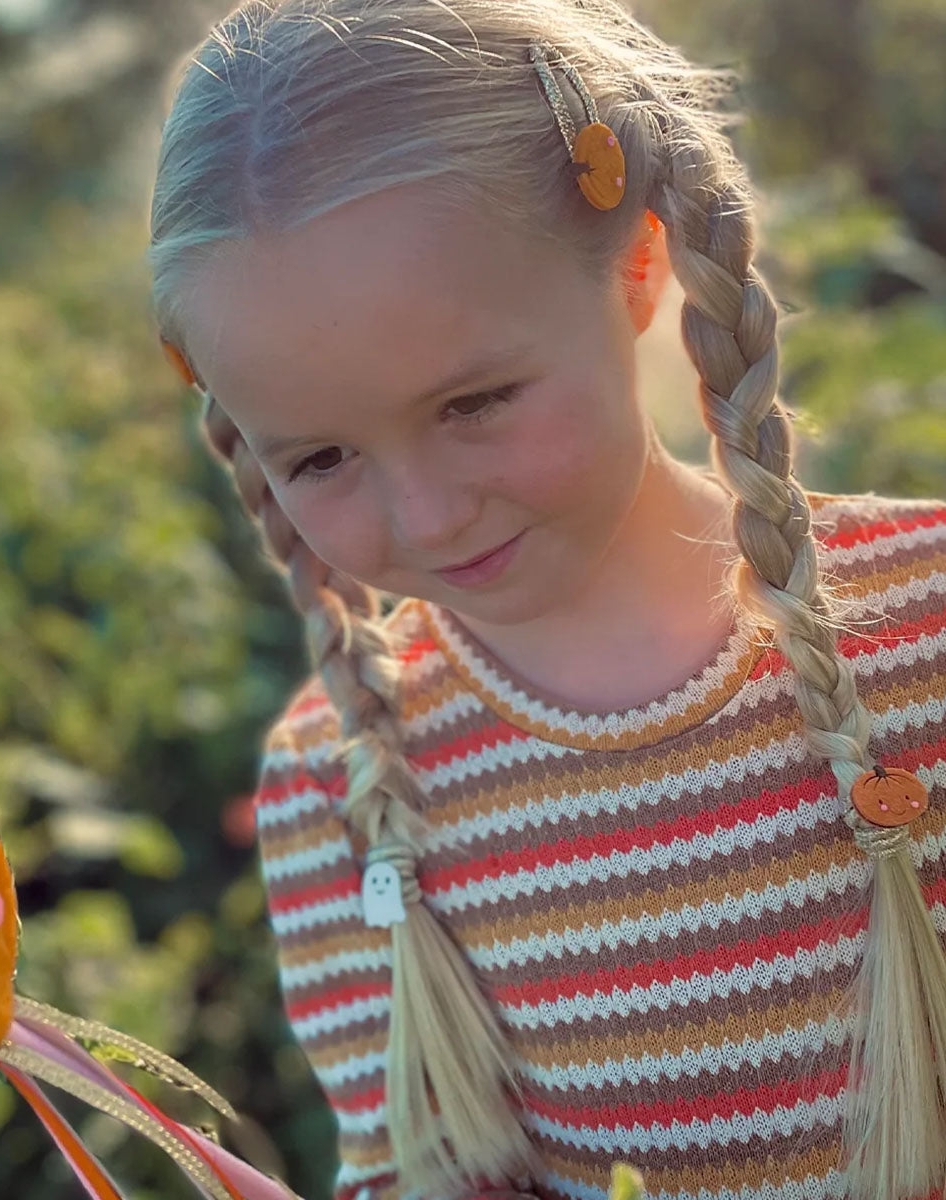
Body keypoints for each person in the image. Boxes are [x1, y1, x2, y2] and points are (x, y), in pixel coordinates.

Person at [146, 3, 946, 1199]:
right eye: (317, 459)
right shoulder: (345, 794)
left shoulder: (923, 621)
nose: (425, 517)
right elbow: (406, 1166)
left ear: (635, 268)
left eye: (473, 403)